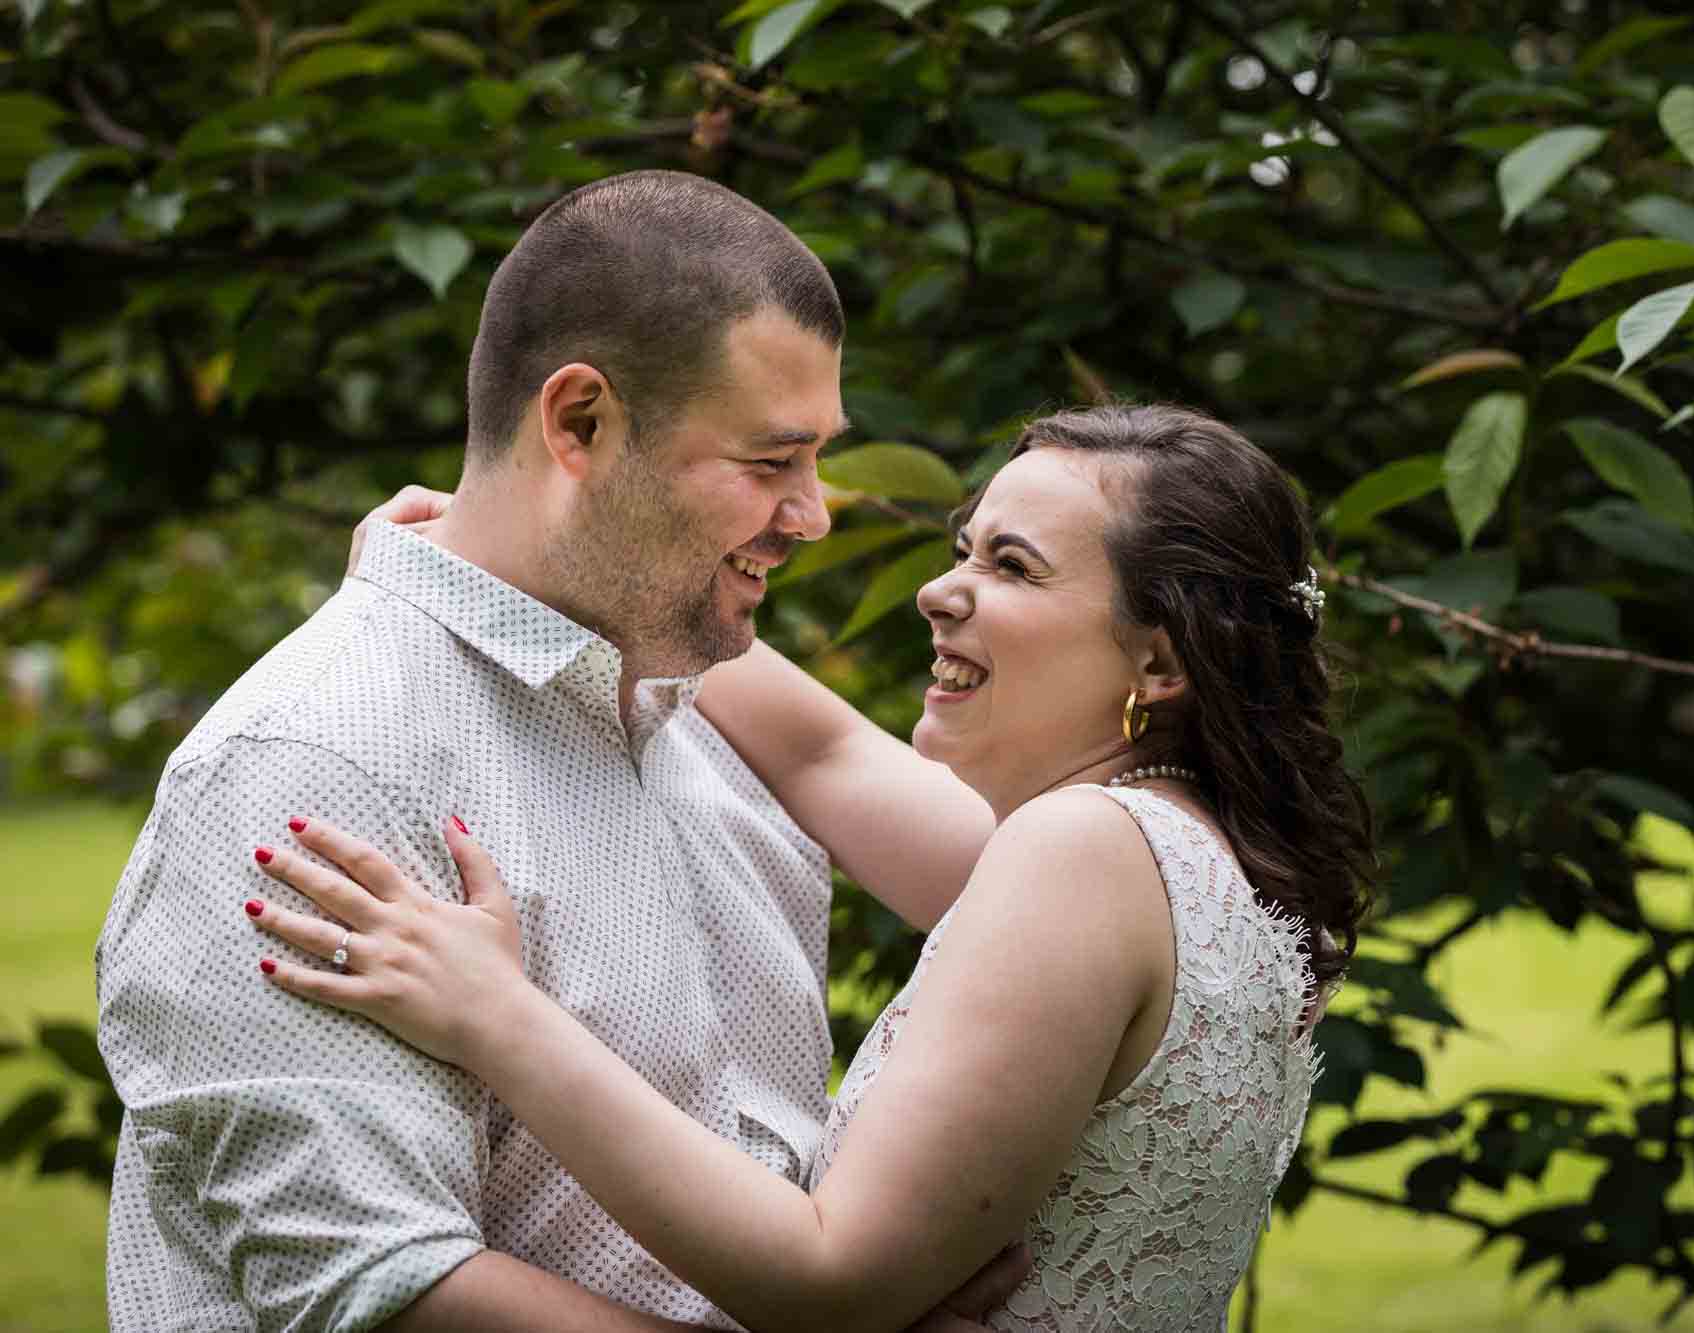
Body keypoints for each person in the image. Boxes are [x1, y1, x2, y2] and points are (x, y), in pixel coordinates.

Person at [94, 169, 1016, 1332]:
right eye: (770, 462)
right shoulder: (315, 762)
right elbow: (382, 1293)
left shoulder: (706, 714)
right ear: (578, 422)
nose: (814, 514)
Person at [244, 404, 1377, 1331]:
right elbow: (820, 749)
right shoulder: (1187, 859)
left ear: (1161, 656)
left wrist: (495, 1013)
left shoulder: (1080, 853)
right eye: (961, 548)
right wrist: (502, 560)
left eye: (1014, 567)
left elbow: (829, 1285)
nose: (941, 589)